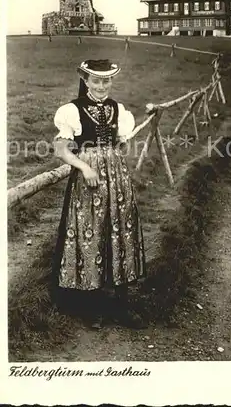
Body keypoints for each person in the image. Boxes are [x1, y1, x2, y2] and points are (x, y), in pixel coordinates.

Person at [52, 59, 146, 329]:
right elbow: (60, 149)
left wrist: (113, 158)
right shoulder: (72, 110)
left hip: (117, 180)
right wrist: (85, 166)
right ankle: (91, 307)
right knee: (89, 232)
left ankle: (120, 304)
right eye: (96, 80)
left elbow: (121, 144)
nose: (102, 86)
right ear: (85, 80)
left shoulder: (118, 109)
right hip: (89, 181)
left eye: (106, 81)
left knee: (120, 233)